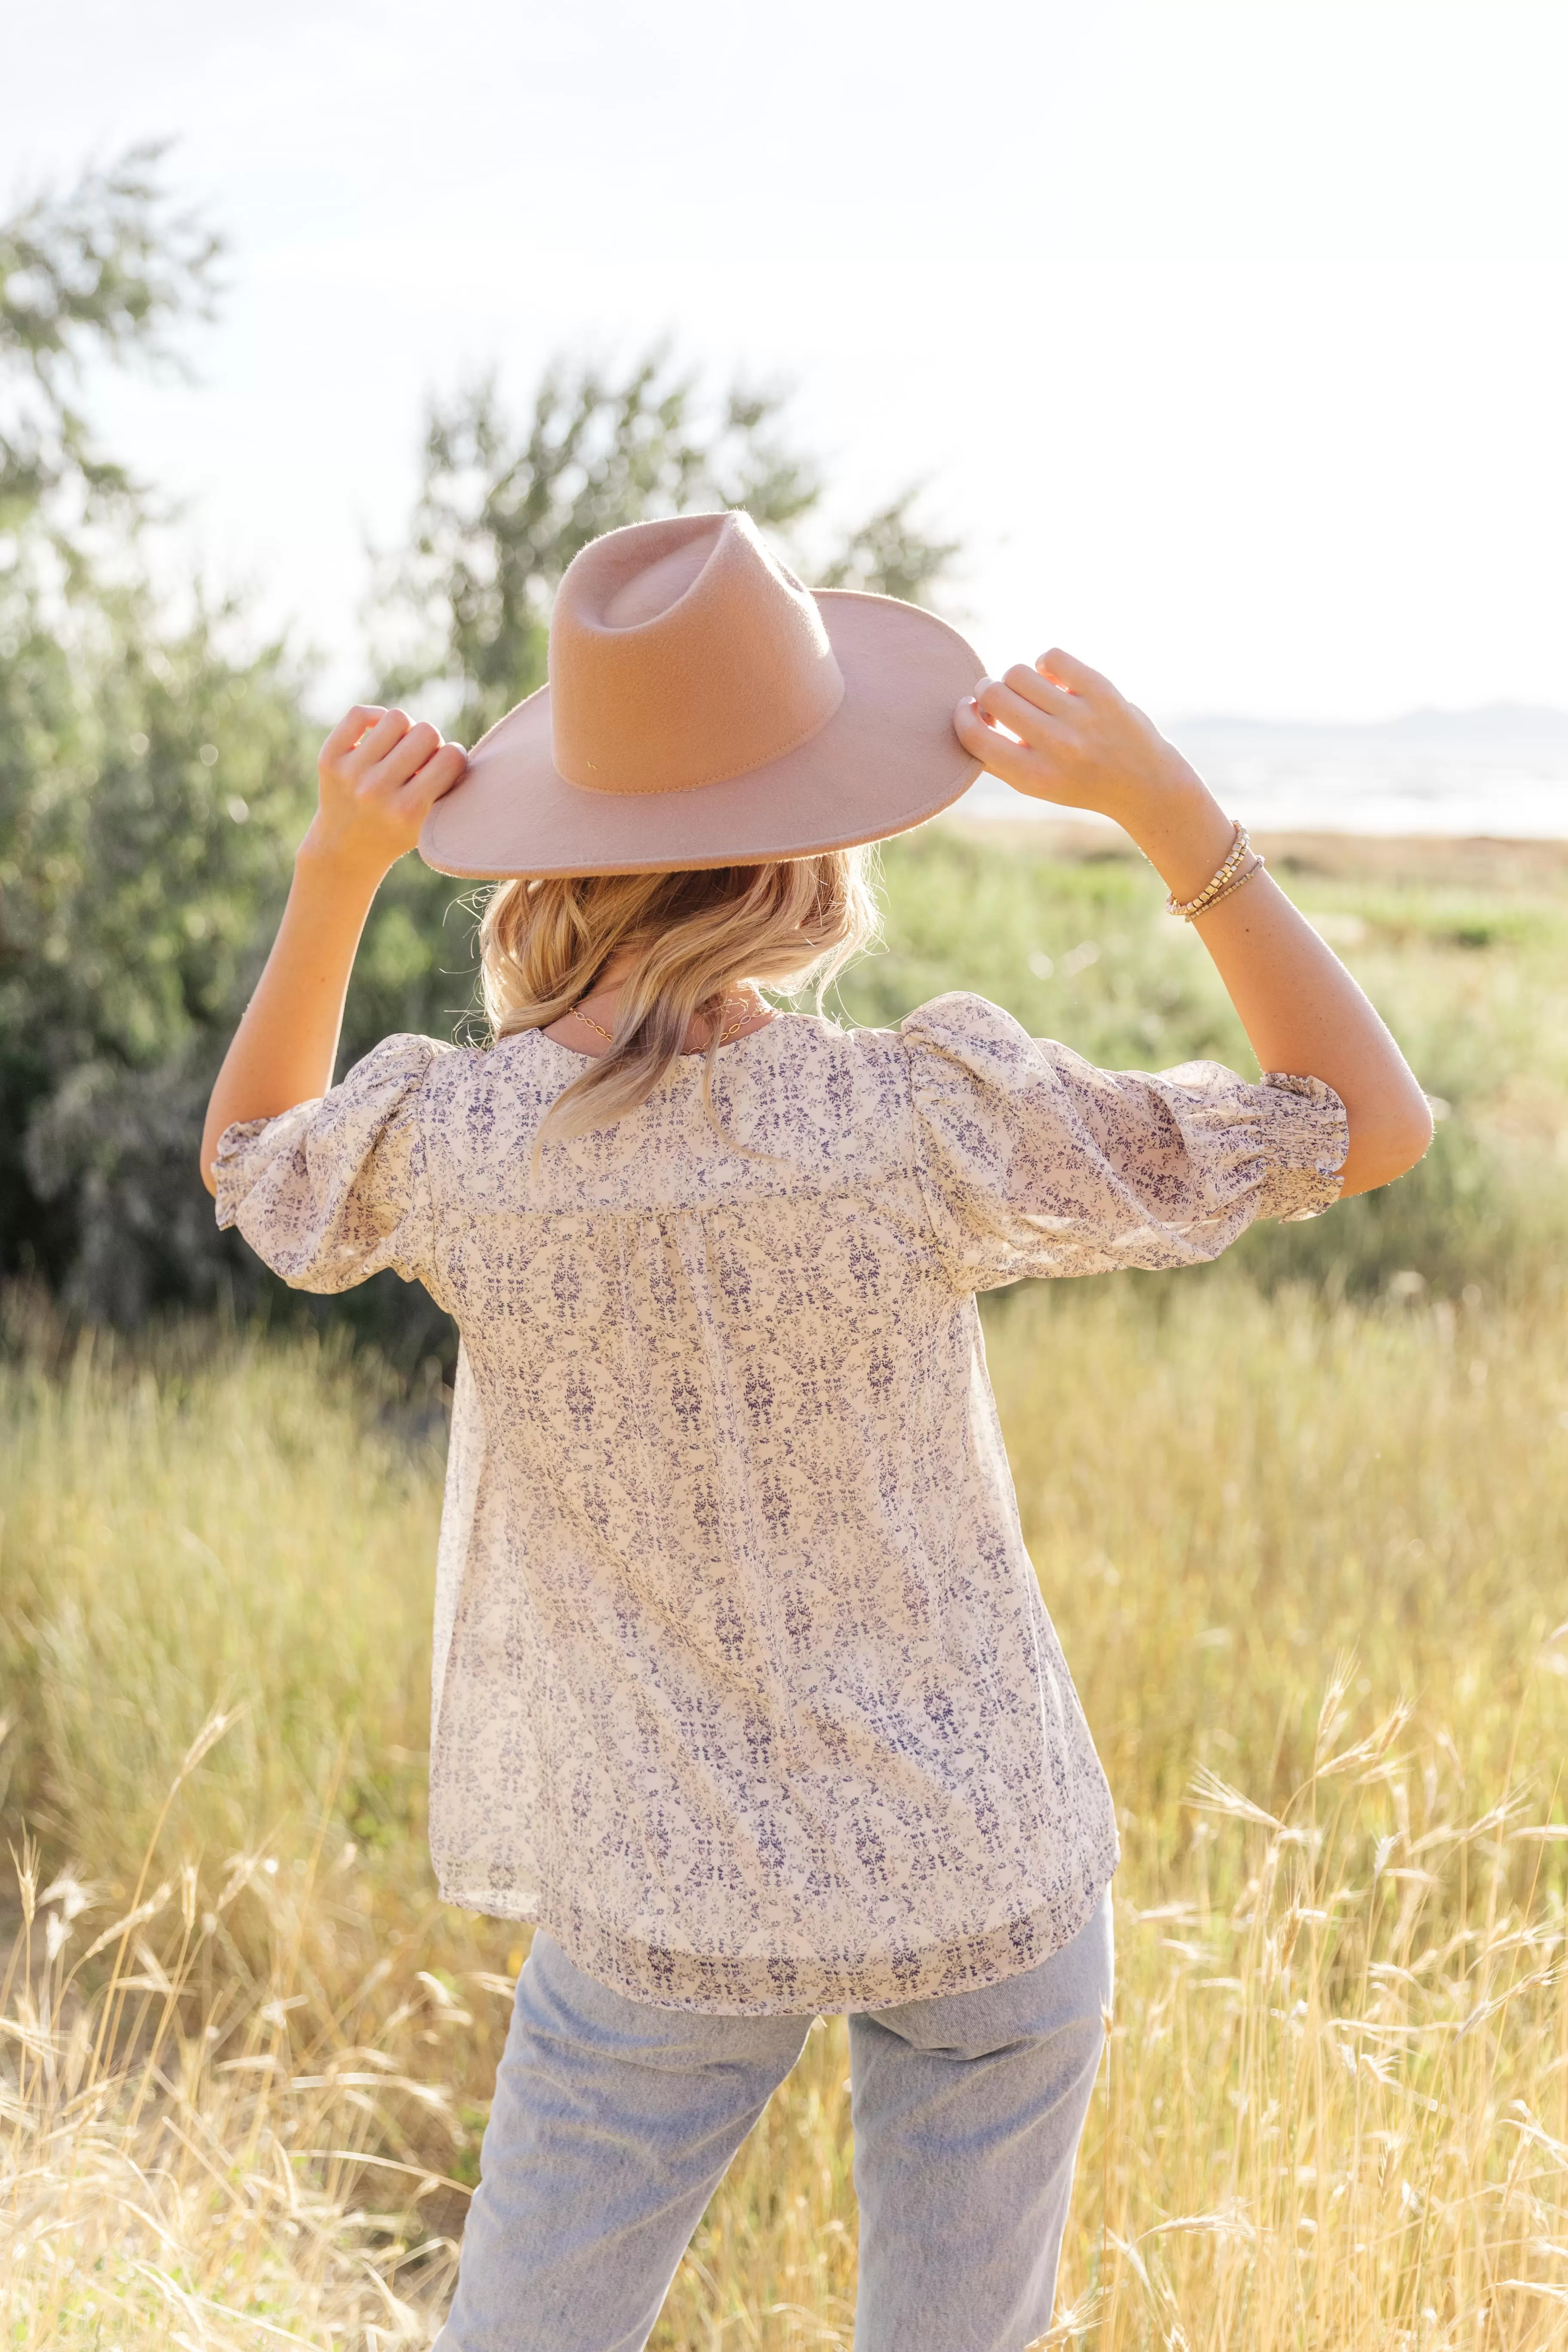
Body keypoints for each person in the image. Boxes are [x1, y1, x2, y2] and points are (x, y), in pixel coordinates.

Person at [200, 511, 1431, 2352]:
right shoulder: (922, 1117)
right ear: (818, 850)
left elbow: (249, 1163)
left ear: (564, 850)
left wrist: (335, 867)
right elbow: (1366, 1122)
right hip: (983, 1872)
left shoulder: (462, 1148)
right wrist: (1176, 816)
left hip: (660, 1899)